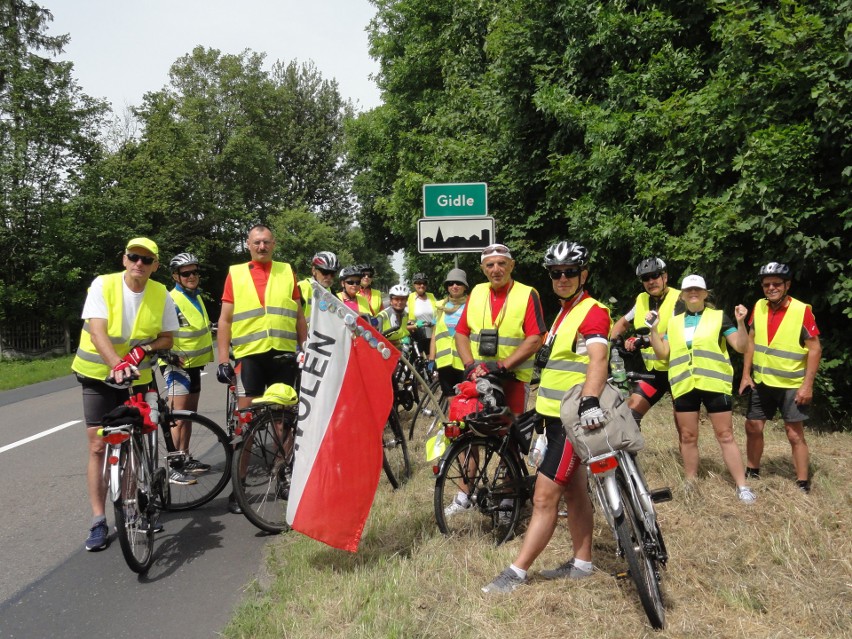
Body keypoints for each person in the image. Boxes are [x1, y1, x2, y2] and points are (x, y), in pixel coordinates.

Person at [482, 241, 606, 594]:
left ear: (584, 274)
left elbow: (598, 359)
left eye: (569, 272)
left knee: (543, 498)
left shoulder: (593, 312)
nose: (562, 278)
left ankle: (516, 572)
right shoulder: (563, 312)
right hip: (553, 418)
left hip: (572, 421)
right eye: (556, 273)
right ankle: (582, 562)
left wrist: (591, 399)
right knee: (576, 492)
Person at [72, 237, 178, 551]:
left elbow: (168, 339)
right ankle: (98, 519)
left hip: (138, 377)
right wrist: (116, 363)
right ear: (124, 259)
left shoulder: (160, 293)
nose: (139, 264)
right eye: (134, 257)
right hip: (98, 375)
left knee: (135, 439)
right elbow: (97, 331)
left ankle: (133, 507)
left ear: (155, 266)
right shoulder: (102, 285)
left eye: (147, 260)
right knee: (97, 445)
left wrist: (147, 347)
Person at [215, 224, 307, 513]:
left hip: (282, 357)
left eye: (266, 241)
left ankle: (283, 477)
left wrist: (304, 349)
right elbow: (225, 320)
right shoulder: (236, 273)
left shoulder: (286, 270)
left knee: (283, 421)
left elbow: (298, 315)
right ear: (248, 244)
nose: (262, 246)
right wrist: (221, 359)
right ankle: (239, 487)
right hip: (250, 358)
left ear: (274, 243)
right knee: (246, 425)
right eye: (257, 242)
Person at [646, 274, 756, 503]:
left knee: (725, 435)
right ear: (683, 295)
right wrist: (653, 330)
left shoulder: (718, 317)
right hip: (685, 384)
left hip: (714, 384)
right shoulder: (675, 321)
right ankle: (690, 481)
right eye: (688, 290)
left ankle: (742, 486)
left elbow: (741, 346)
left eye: (697, 290)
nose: (693, 293)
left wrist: (740, 322)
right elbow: (662, 353)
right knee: (687, 436)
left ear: (705, 294)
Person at [738, 262, 821, 493]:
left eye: (776, 283)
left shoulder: (801, 310)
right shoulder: (759, 306)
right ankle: (752, 471)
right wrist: (746, 374)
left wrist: (807, 385)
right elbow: (751, 340)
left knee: (794, 434)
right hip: (762, 381)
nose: (771, 288)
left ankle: (802, 482)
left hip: (791, 385)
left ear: (787, 285)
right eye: (767, 284)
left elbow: (815, 349)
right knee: (752, 426)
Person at [455, 243, 546, 416]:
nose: (496, 269)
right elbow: (461, 333)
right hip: (478, 377)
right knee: (475, 430)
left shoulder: (527, 293)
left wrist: (502, 365)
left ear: (511, 265)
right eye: (490, 265)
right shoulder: (477, 291)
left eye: (501, 263)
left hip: (513, 379)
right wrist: (469, 366)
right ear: (483, 268)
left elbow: (535, 339)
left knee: (511, 432)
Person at [161, 252, 214, 484]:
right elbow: (159, 330)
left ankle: (186, 456)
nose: (192, 276)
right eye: (186, 273)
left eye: (195, 272)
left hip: (195, 364)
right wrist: (168, 354)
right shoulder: (170, 299)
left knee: (190, 416)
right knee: (177, 419)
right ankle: (174, 466)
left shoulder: (196, 296)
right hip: (177, 365)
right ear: (176, 276)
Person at [609, 257, 682, 426]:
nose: (651, 281)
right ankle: (630, 452)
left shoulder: (678, 299)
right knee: (629, 416)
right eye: (645, 278)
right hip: (653, 374)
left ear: (665, 277)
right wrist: (614, 343)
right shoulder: (642, 299)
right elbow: (622, 323)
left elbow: (677, 333)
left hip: (678, 371)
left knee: (685, 429)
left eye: (655, 276)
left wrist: (645, 340)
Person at [428, 268, 469, 398]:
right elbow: (435, 334)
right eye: (451, 283)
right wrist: (431, 358)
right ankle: (453, 420)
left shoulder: (471, 305)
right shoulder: (439, 306)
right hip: (444, 362)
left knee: (466, 399)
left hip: (465, 361)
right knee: (451, 398)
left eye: (458, 283)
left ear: (465, 287)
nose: (454, 286)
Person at [297, 251, 339, 324]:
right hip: (303, 334)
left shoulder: (332, 293)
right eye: (325, 272)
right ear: (314, 270)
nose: (329, 277)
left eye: (333, 273)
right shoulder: (302, 287)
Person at [407, 272, 438, 354]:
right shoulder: (410, 298)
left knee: (432, 361)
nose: (422, 285)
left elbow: (439, 312)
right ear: (414, 285)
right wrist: (414, 324)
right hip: (417, 336)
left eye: (424, 283)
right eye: (419, 283)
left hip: (432, 335)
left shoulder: (431, 297)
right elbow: (404, 317)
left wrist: (435, 321)